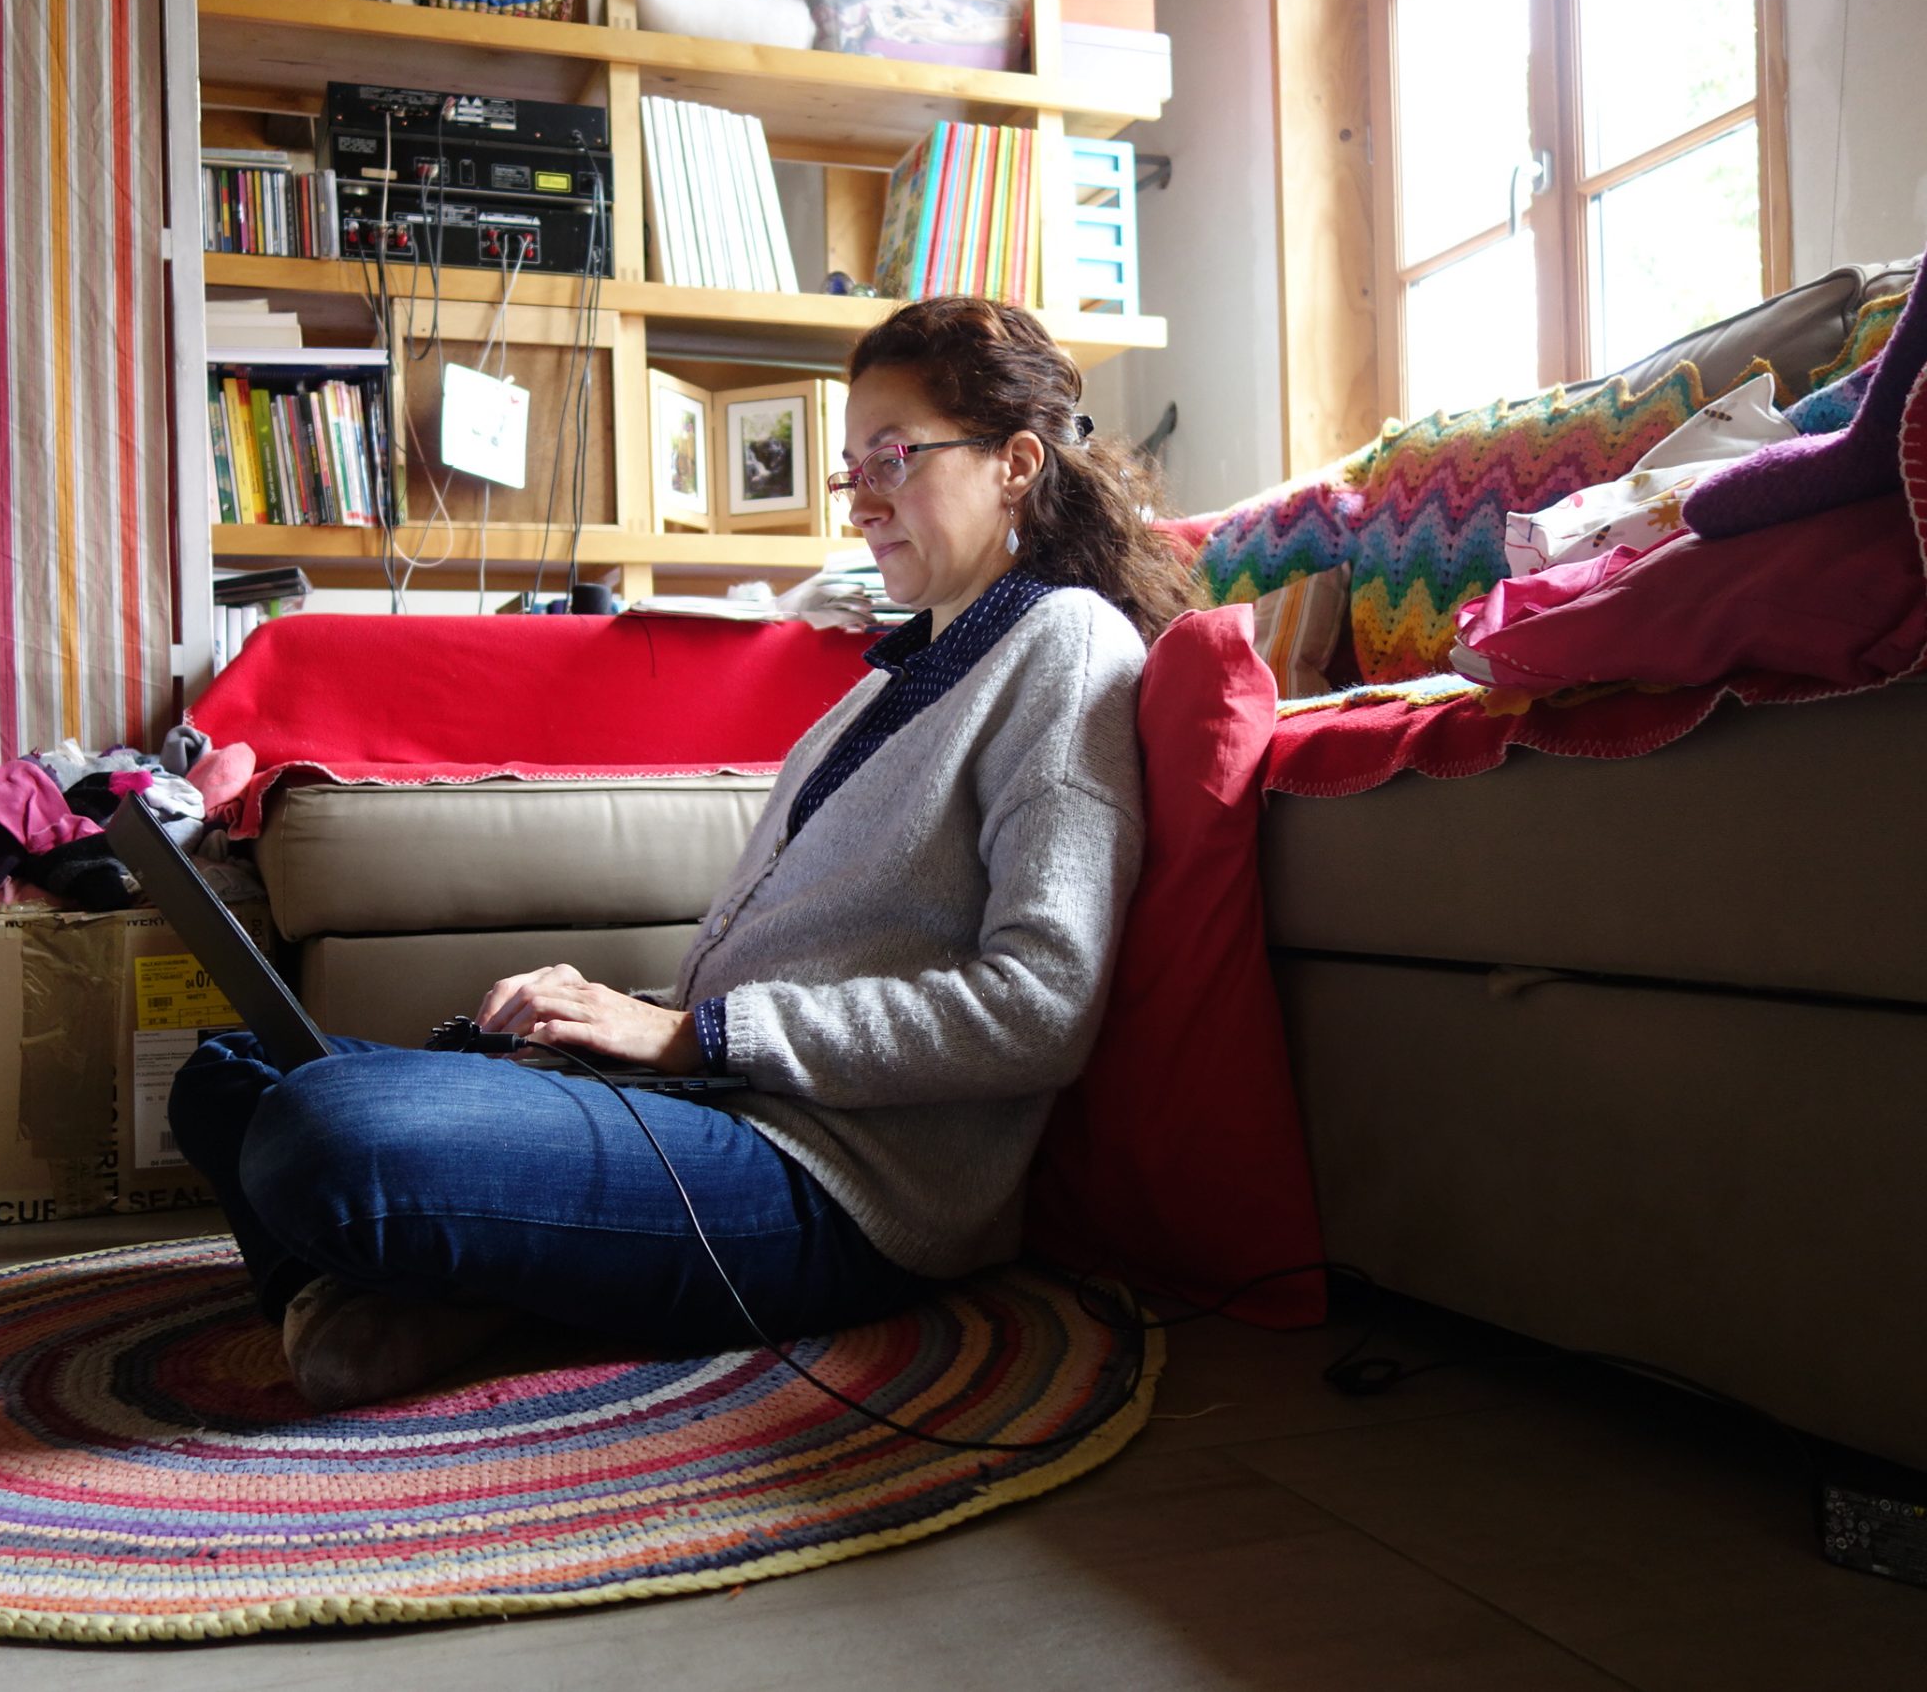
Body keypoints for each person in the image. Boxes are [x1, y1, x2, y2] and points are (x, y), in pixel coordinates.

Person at [168, 297, 1194, 1411]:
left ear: (1015, 464)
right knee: (230, 1075)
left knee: (325, 1136)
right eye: (852, 470)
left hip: (835, 1187)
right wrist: (617, 1018)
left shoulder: (1065, 646)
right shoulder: (890, 680)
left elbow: (1039, 1006)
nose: (863, 500)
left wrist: (686, 1034)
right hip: (716, 1112)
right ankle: (401, 1308)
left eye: (891, 456)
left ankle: (419, 1286)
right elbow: (778, 972)